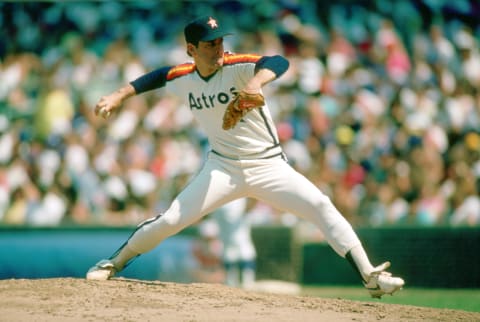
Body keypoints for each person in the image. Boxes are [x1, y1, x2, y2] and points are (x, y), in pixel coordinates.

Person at [86, 15, 404, 298]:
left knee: (320, 205)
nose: (218, 48)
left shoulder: (239, 66)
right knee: (170, 219)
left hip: (268, 165)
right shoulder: (184, 75)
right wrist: (117, 95)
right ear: (191, 50)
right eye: (209, 44)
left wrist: (255, 82)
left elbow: (277, 61)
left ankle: (370, 276)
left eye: (220, 41)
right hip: (222, 167)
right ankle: (113, 262)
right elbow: (154, 77)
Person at [212, 198, 256, 288]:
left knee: (239, 251)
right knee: (241, 250)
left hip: (221, 200)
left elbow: (249, 206)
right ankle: (244, 284)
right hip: (230, 200)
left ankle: (242, 283)